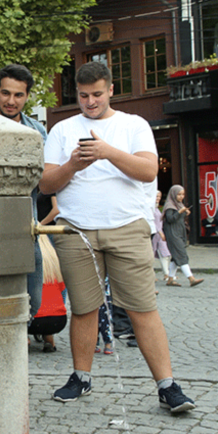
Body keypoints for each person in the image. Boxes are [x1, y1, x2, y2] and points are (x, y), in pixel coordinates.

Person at [39, 61, 195, 414]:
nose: (90, 102)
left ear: (111, 90)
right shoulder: (62, 129)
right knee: (84, 308)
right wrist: (73, 166)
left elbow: (148, 170)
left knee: (142, 309)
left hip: (127, 228)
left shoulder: (133, 124)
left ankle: (167, 386)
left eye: (96, 94)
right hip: (76, 230)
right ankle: (81, 377)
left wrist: (107, 151)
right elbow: (47, 184)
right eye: (82, 96)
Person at [0, 63, 49, 324]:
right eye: (5, 93)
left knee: (32, 301)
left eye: (18, 95)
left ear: (27, 96)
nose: (11, 101)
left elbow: (44, 179)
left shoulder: (37, 132)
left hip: (26, 226)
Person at [27, 235, 66, 353]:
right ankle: (49, 340)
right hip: (59, 320)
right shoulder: (54, 263)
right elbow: (62, 288)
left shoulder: (30, 265)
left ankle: (25, 339)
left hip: (33, 320)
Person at [161, 185, 204, 287]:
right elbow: (170, 219)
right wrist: (180, 212)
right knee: (181, 255)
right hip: (173, 234)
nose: (181, 197)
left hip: (179, 233)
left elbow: (178, 218)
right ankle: (191, 278)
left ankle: (170, 279)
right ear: (173, 194)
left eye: (183, 194)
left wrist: (185, 213)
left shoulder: (179, 204)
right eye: (179, 194)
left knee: (176, 257)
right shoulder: (170, 206)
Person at [151, 190, 172, 281]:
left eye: (159, 196)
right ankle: (153, 275)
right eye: (156, 196)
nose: (158, 199)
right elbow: (152, 221)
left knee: (165, 254)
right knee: (152, 255)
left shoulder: (156, 208)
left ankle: (166, 273)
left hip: (159, 234)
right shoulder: (150, 208)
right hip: (154, 234)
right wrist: (160, 232)